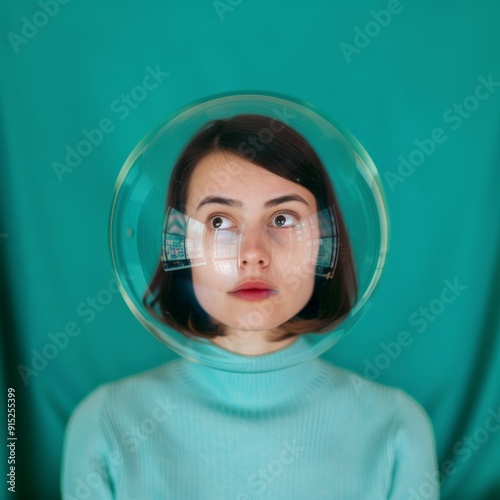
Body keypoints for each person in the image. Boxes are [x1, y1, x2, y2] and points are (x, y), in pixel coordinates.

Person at [62, 114, 439, 499]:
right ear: (181, 246)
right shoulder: (107, 421)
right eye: (220, 222)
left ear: (324, 243)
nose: (253, 255)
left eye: (282, 218)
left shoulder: (396, 427)